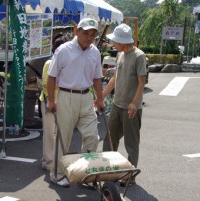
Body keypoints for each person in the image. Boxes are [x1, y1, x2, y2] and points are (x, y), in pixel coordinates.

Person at [47, 18, 105, 187]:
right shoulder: (64, 50)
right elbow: (51, 76)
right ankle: (57, 173)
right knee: (63, 137)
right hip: (66, 95)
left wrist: (100, 99)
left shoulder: (95, 52)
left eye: (93, 34)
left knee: (92, 136)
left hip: (86, 97)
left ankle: (85, 173)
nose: (89, 37)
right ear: (77, 31)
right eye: (85, 33)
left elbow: (97, 78)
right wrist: (51, 100)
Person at [102, 23, 147, 186]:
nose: (113, 44)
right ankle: (108, 170)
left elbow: (142, 81)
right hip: (117, 104)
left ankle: (130, 176)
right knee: (110, 139)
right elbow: (115, 78)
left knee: (131, 143)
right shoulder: (120, 55)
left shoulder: (139, 56)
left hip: (131, 107)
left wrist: (135, 103)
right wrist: (101, 96)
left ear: (123, 41)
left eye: (115, 41)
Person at [40, 35, 68, 171]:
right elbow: (46, 84)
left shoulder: (65, 63)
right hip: (49, 101)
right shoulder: (49, 63)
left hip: (63, 101)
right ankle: (48, 162)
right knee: (50, 133)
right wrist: (51, 101)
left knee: (60, 134)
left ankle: (57, 160)